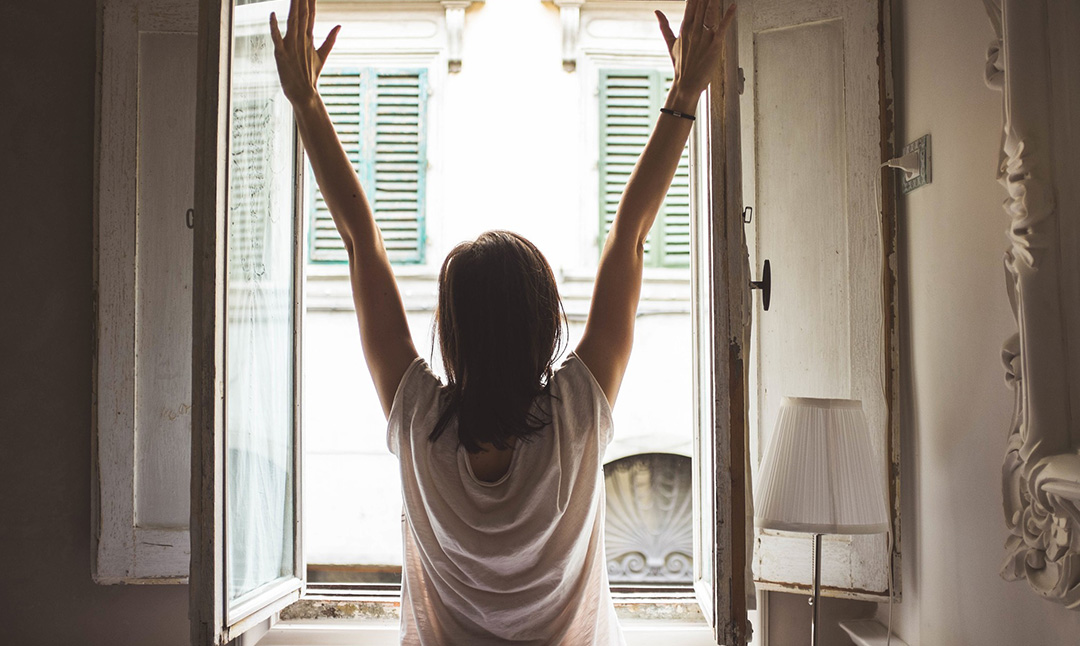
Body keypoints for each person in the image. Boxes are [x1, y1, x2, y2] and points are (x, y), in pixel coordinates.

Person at [270, 0, 736, 642]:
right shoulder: (578, 413)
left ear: (451, 330)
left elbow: (360, 242)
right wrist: (684, 95)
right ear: (547, 327)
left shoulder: (415, 422)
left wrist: (308, 104)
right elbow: (629, 236)